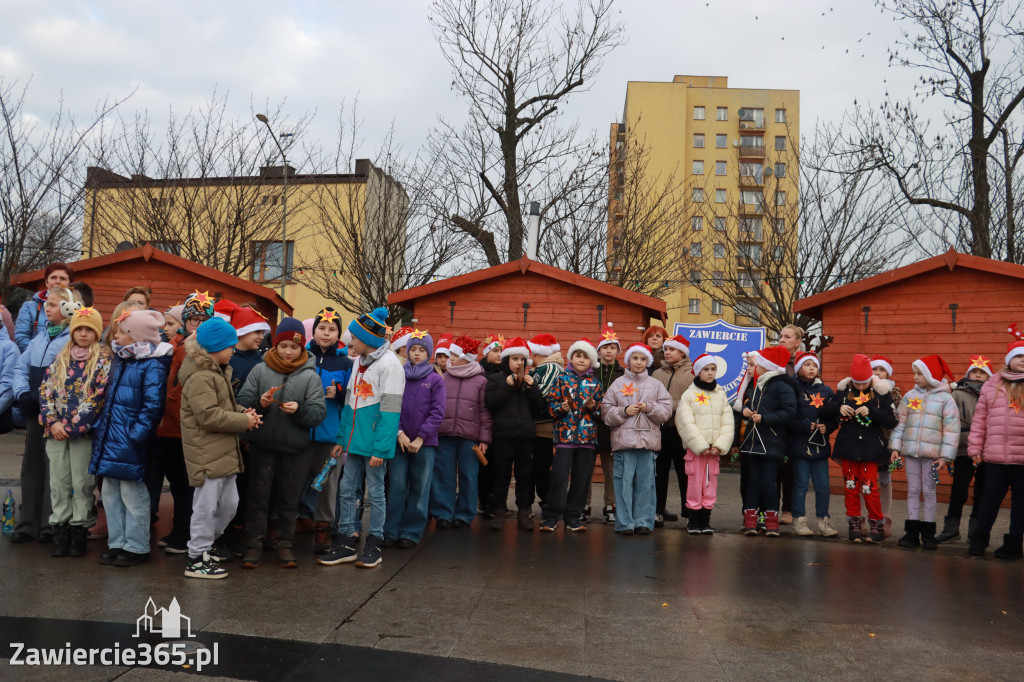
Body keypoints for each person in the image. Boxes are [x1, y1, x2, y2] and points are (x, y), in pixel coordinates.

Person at [236, 318, 326, 569]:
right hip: (262, 446)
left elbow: (318, 414)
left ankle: (285, 544)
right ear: (275, 345)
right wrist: (260, 404)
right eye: (283, 345)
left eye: (294, 347)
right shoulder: (260, 370)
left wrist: (299, 410)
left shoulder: (310, 377)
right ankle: (253, 544)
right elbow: (241, 401)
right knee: (258, 497)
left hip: (295, 449)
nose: (288, 351)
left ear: (302, 348)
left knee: (289, 499)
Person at [318, 307, 404, 569]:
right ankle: (346, 541)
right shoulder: (359, 361)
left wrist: (381, 449)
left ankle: (374, 542)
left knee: (375, 493)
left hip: (374, 445)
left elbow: (390, 412)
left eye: (353, 337)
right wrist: (342, 439)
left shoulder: (390, 365)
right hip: (354, 442)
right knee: (346, 488)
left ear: (367, 338)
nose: (349, 341)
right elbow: (351, 403)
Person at [180, 318, 262, 580]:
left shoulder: (217, 371)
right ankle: (196, 556)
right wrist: (242, 421)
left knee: (229, 504)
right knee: (205, 507)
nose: (234, 350)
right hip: (207, 453)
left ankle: (205, 546)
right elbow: (208, 416)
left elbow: (224, 406)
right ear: (215, 347)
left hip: (223, 452)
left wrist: (243, 413)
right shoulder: (201, 377)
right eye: (230, 346)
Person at [89, 310, 173, 567]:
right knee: (111, 492)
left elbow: (152, 406)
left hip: (130, 440)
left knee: (132, 493)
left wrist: (136, 434)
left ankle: (136, 546)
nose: (117, 335)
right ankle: (118, 542)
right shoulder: (121, 358)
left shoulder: (152, 364)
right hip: (111, 436)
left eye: (123, 331)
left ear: (136, 337)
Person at [39, 307, 110, 557]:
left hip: (82, 433)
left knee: (81, 483)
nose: (83, 334)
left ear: (96, 333)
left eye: (89, 330)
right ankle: (61, 529)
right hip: (55, 432)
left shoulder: (102, 360)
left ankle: (79, 530)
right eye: (79, 329)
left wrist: (73, 427)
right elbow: (46, 391)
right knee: (59, 483)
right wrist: (52, 422)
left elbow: (97, 398)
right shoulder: (61, 357)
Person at [11, 286, 80, 543]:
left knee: (55, 469)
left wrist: (47, 404)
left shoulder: (73, 339)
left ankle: (50, 524)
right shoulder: (39, 338)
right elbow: (21, 368)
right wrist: (22, 395)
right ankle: (27, 522)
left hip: (56, 415)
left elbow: (69, 380)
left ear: (67, 308)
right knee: (32, 466)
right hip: (34, 411)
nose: (46, 309)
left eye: (51, 305)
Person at [152, 291, 215, 554]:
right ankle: (178, 527)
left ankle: (185, 532)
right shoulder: (173, 344)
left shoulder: (205, 350)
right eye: (193, 320)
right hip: (167, 423)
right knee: (176, 482)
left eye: (203, 320)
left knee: (186, 484)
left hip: (186, 427)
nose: (197, 326)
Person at [820, 354, 897, 544]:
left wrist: (872, 411)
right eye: (857, 383)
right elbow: (824, 410)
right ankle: (854, 523)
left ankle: (876, 525)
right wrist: (839, 407)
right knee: (851, 487)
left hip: (870, 449)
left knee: (869, 488)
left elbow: (892, 419)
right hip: (848, 447)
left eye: (864, 383)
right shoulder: (843, 390)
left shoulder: (881, 392)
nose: (860, 387)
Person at [600, 343, 673, 535]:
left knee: (646, 484)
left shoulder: (656, 385)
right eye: (635, 358)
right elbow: (606, 413)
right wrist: (624, 411)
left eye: (642, 359)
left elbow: (666, 412)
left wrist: (649, 407)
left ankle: (643, 521)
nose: (638, 362)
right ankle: (625, 522)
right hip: (624, 444)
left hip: (648, 444)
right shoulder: (617, 384)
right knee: (623, 483)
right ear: (628, 360)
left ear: (647, 362)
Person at [889, 355, 960, 550]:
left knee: (929, 491)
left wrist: (945, 456)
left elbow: (952, 429)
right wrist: (895, 447)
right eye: (915, 373)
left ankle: (928, 533)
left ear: (931, 375)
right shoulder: (910, 396)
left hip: (932, 456)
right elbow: (900, 423)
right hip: (911, 452)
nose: (915, 377)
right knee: (912, 490)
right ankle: (911, 532)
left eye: (919, 373)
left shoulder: (946, 399)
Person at [384, 331, 446, 547]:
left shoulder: (435, 379)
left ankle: (410, 533)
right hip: (399, 440)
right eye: (413, 349)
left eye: (422, 350)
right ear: (407, 351)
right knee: (397, 486)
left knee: (420, 487)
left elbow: (437, 412)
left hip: (424, 444)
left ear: (428, 353)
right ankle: (390, 531)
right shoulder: (398, 375)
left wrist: (420, 438)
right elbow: (392, 406)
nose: (417, 353)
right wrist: (399, 433)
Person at [300, 307, 352, 554]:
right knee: (293, 482)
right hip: (300, 432)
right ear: (315, 330)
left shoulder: (344, 362)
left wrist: (339, 394)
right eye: (322, 328)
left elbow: (354, 397)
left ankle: (324, 529)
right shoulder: (301, 356)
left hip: (330, 435)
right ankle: (285, 526)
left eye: (332, 330)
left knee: (327, 485)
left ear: (338, 334)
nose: (326, 333)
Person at [968, 335, 1024, 559]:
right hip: (995, 457)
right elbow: (980, 420)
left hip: (1022, 458)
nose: (1023, 360)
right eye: (1019, 356)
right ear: (1008, 359)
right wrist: (975, 448)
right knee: (989, 499)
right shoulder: (992, 385)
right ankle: (979, 540)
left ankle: (1013, 544)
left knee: (1021, 503)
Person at [733, 346, 797, 538]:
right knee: (752, 482)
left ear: (765, 367)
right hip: (752, 442)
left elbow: (790, 412)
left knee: (769, 483)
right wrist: (746, 410)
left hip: (772, 443)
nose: (750, 369)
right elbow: (749, 406)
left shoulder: (782, 386)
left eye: (754, 365)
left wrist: (765, 418)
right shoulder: (753, 386)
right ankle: (750, 520)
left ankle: (771, 522)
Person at [429, 335, 491, 530]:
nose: (450, 359)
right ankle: (443, 513)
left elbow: (485, 412)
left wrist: (484, 438)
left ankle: (465, 513)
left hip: (469, 439)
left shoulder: (481, 381)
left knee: (469, 476)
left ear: (467, 358)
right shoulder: (443, 378)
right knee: (443, 475)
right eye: (450, 355)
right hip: (444, 435)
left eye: (455, 355)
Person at [542, 338, 604, 533]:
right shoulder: (561, 379)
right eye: (578, 356)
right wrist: (561, 407)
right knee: (559, 477)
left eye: (586, 357)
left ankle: (573, 517)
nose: (581, 360)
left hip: (587, 439)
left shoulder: (595, 383)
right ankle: (551, 517)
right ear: (571, 358)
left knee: (582, 479)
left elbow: (603, 413)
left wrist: (595, 409)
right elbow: (549, 407)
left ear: (591, 361)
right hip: (564, 437)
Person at [484, 336, 544, 532]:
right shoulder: (496, 379)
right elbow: (491, 403)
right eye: (514, 358)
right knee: (500, 475)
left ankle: (524, 511)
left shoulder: (530, 380)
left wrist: (532, 388)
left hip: (525, 436)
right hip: (502, 435)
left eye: (521, 359)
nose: (518, 363)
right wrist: (507, 387)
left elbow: (539, 409)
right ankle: (499, 510)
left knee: (524, 476)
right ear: (506, 360)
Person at [676, 354, 734, 535]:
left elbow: (727, 422)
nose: (710, 373)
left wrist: (719, 445)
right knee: (694, 483)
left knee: (710, 484)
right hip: (697, 451)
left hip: (713, 451)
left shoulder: (720, 394)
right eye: (706, 369)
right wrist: (700, 445)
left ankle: (705, 519)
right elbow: (685, 422)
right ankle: (693, 519)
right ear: (698, 371)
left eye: (713, 369)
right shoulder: (689, 395)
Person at [937, 356, 991, 543]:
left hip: (987, 449)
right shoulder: (958, 394)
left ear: (988, 376)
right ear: (968, 374)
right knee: (959, 490)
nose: (977, 375)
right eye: (974, 372)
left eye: (982, 373)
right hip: (963, 449)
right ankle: (951, 527)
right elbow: (950, 421)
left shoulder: (994, 394)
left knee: (982, 490)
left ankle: (976, 529)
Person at [787, 352, 838, 537]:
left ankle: (823, 521)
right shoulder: (792, 388)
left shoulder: (826, 391)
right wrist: (806, 425)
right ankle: (799, 520)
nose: (811, 368)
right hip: (799, 446)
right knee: (800, 484)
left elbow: (834, 418)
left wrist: (828, 427)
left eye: (814, 365)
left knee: (823, 485)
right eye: (807, 365)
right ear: (799, 367)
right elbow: (788, 418)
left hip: (820, 447)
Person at [652, 334, 693, 526]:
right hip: (661, 430)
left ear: (682, 353)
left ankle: (689, 512)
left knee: (685, 473)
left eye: (672, 349)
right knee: (659, 472)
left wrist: (667, 405)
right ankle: (657, 510)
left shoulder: (692, 373)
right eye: (666, 349)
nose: (667, 353)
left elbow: (691, 401)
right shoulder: (657, 374)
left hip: (682, 430)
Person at [590, 323, 624, 524]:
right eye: (605, 347)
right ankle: (583, 504)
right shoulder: (590, 371)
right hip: (591, 425)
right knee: (585, 469)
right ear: (599, 350)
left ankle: (611, 505)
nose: (609, 350)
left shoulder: (623, 374)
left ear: (617, 351)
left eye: (613, 347)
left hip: (613, 427)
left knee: (611, 471)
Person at [528, 333, 564, 508]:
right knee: (536, 468)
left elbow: (543, 392)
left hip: (544, 428)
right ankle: (549, 502)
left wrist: (524, 391)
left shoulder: (551, 368)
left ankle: (552, 503)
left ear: (536, 353)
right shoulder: (540, 368)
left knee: (542, 468)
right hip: (535, 427)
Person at [775, 325, 805, 525]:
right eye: (780, 336)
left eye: (787, 337)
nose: (782, 340)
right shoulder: (772, 360)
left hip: (795, 424)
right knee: (774, 468)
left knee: (790, 469)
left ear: (797, 342)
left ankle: (788, 509)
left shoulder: (803, 364)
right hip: (774, 420)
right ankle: (769, 508)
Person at [868, 355, 900, 536]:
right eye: (875, 369)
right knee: (866, 481)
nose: (878, 373)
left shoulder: (894, 392)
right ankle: (868, 517)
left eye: (882, 370)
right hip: (867, 440)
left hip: (886, 443)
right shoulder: (864, 389)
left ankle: (885, 517)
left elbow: (898, 420)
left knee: (885, 480)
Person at [15, 262, 73, 351]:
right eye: (53, 277)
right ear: (46, 282)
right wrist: (40, 356)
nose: (58, 281)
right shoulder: (29, 307)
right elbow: (21, 337)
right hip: (34, 360)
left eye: (63, 278)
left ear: (69, 283)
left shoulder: (76, 309)